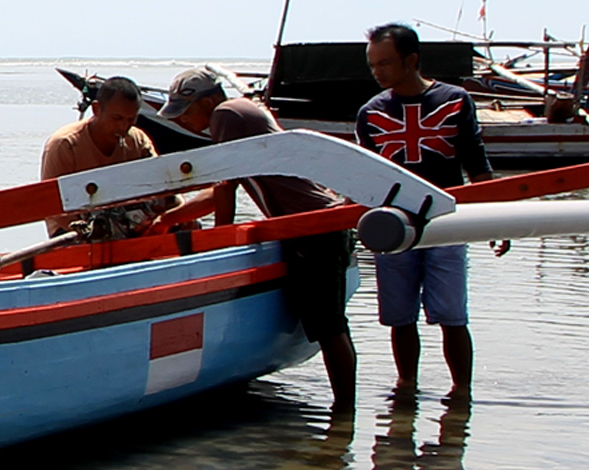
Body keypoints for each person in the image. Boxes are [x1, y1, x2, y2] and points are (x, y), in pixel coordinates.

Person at [172, 68, 358, 413]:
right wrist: (170, 217)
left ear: (209, 101)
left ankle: (344, 413)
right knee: (327, 323)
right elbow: (223, 188)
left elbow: (225, 185)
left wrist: (221, 239)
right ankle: (344, 413)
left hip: (313, 225)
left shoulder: (226, 116)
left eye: (186, 111)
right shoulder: (242, 112)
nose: (182, 120)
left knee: (329, 326)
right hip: (308, 222)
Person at [357, 21, 492, 396]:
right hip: (395, 226)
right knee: (399, 318)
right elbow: (366, 179)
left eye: (385, 63)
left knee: (452, 315)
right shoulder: (371, 113)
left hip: (447, 223)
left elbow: (476, 164)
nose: (378, 72)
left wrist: (496, 222)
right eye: (373, 65)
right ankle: (407, 387)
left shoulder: (454, 101)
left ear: (411, 60)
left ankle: (461, 393)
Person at [38, 76, 158, 235]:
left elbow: (164, 183)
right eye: (117, 118)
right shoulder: (65, 145)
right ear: (96, 109)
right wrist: (88, 230)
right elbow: (50, 203)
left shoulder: (138, 141)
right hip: (71, 231)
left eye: (131, 119)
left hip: (127, 224)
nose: (124, 127)